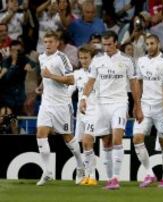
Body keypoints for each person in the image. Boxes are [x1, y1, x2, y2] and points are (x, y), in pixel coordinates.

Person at [79, 31, 142, 190]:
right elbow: (90, 82)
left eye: (109, 44)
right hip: (101, 105)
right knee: (105, 142)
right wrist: (83, 99)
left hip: (119, 104)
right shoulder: (97, 61)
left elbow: (134, 84)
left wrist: (137, 105)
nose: (106, 48)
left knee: (116, 140)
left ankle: (115, 178)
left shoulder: (127, 61)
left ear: (116, 43)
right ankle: (108, 179)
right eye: (104, 44)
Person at [36, 31, 84, 186]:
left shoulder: (62, 58)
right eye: (45, 41)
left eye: (50, 41)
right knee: (41, 134)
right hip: (46, 104)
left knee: (68, 138)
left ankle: (80, 166)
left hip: (62, 105)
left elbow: (71, 80)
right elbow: (45, 75)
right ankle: (47, 171)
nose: (48, 44)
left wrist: (51, 77)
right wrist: (42, 85)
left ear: (57, 43)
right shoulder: (41, 57)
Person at [132, 34, 163, 188]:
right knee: (137, 138)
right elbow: (138, 84)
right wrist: (137, 105)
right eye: (147, 44)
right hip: (145, 106)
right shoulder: (141, 61)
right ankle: (149, 174)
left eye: (152, 44)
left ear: (159, 44)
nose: (149, 47)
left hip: (161, 107)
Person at [68, 44, 97, 186]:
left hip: (95, 113)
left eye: (86, 58)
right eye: (81, 58)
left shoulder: (98, 74)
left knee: (87, 142)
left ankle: (91, 175)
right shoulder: (76, 74)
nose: (83, 60)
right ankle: (87, 174)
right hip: (81, 115)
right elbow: (69, 92)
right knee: (83, 144)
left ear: (92, 58)